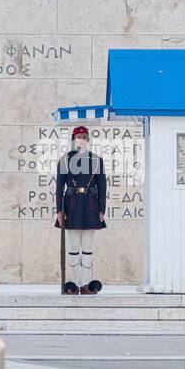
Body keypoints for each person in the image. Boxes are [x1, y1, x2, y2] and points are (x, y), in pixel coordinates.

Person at [55, 124, 107, 295]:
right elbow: (59, 187)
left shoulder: (97, 160)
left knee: (87, 247)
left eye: (84, 137)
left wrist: (101, 210)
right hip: (72, 206)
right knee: (74, 247)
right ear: (73, 139)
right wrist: (59, 211)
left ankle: (84, 284)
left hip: (91, 207)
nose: (81, 140)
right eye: (78, 137)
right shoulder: (64, 160)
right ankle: (75, 283)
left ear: (88, 140)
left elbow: (102, 187)